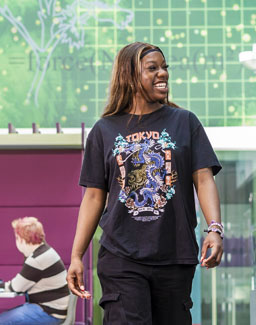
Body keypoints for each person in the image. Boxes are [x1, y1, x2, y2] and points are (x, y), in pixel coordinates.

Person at [67, 42, 224, 324]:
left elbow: (204, 179)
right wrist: (77, 255)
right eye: (153, 68)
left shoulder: (185, 122)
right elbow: (93, 197)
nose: (162, 73)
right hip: (121, 256)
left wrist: (215, 228)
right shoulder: (104, 130)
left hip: (174, 255)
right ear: (129, 75)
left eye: (165, 67)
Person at [0, 217, 70, 324]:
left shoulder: (37, 259)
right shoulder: (44, 251)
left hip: (49, 312)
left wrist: (1, 285)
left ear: (21, 239)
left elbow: (16, 287)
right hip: (51, 309)